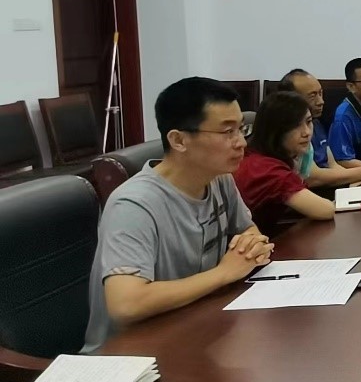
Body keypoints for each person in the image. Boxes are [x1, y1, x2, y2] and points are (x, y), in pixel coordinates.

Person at [82, 77, 274, 352]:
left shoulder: (219, 178)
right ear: (179, 140)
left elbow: (247, 231)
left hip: (194, 330)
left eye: (241, 129)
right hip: (130, 357)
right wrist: (223, 273)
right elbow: (126, 304)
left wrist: (252, 245)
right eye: (227, 132)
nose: (241, 142)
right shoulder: (134, 205)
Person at [234, 91, 339, 234]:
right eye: (295, 125)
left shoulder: (259, 154)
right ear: (275, 130)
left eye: (308, 122)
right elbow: (325, 210)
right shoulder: (268, 171)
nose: (307, 132)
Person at [278, 68, 361, 187]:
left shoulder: (316, 123)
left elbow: (333, 165)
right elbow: (314, 178)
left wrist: (360, 183)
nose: (321, 101)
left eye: (320, 93)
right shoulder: (291, 133)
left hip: (331, 185)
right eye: (312, 96)